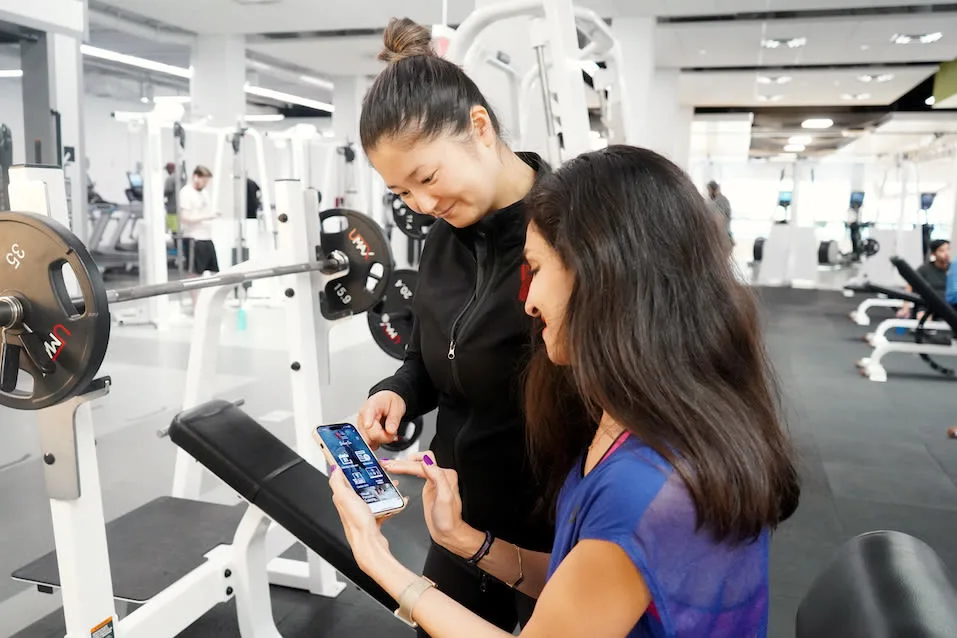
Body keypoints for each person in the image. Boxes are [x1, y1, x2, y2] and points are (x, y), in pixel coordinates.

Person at [330, 145, 801, 637]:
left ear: (601, 277)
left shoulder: (644, 487)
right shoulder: (632, 420)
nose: (528, 302)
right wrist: (466, 540)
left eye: (535, 269)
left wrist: (378, 562)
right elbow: (576, 591)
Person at [353, 17, 553, 634]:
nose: (422, 205)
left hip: (551, 518)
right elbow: (428, 357)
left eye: (428, 177)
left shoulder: (566, 232)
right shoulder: (442, 239)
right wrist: (397, 393)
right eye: (401, 192)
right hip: (456, 509)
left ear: (479, 127)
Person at [178, 165, 220, 306]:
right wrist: (207, 216)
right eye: (204, 180)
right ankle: (197, 305)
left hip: (207, 238)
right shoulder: (186, 193)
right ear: (196, 177)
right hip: (193, 238)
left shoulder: (204, 193)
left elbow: (205, 211)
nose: (205, 184)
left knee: (214, 272)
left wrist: (211, 215)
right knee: (195, 274)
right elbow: (184, 218)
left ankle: (208, 303)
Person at [897, 239, 950, 317]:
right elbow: (909, 285)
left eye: (948, 249)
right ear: (933, 254)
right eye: (942, 251)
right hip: (928, 304)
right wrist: (905, 307)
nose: (946, 253)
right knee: (921, 316)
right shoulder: (925, 269)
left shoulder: (954, 269)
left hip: (950, 306)